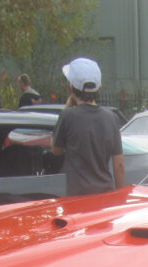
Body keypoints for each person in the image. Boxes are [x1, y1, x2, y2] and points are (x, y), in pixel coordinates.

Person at [51, 58, 124, 196]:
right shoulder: (111, 118)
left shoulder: (68, 116)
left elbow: (56, 149)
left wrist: (67, 106)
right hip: (105, 196)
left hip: (78, 197)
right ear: (99, 87)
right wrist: (119, 197)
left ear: (71, 87)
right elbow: (119, 165)